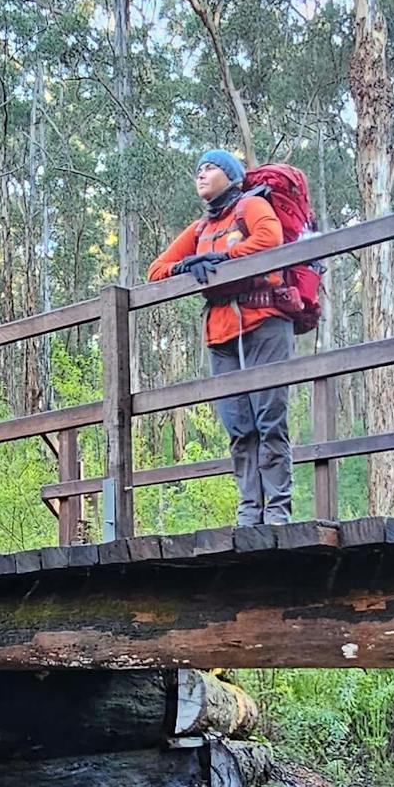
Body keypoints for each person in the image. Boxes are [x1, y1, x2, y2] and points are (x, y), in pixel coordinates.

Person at [146, 149, 293, 527]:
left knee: (269, 419)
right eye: (198, 169)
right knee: (238, 427)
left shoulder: (251, 206)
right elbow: (155, 271)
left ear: (230, 175)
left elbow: (269, 239)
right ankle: (249, 515)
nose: (201, 174)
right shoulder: (199, 229)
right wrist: (186, 264)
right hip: (220, 334)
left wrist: (224, 257)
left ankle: (277, 512)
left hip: (264, 322)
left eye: (210, 168)